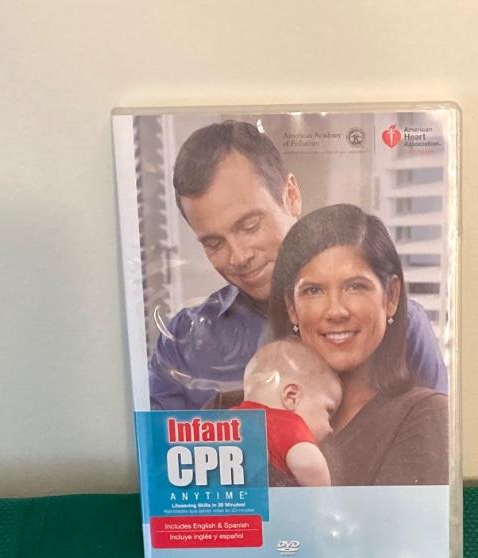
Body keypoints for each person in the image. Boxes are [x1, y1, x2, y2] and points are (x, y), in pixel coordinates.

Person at [148, 120, 447, 410]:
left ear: (291, 196)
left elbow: (438, 437)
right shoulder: (183, 345)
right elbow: (152, 444)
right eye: (214, 244)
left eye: (250, 226)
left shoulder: (399, 326)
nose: (238, 257)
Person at [269, 204, 449, 486]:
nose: (336, 311)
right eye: (313, 290)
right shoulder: (238, 411)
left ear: (391, 297)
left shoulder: (424, 416)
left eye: (355, 287)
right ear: (292, 308)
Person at [236, 339, 340, 486]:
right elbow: (308, 464)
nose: (330, 429)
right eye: (328, 412)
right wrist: (324, 495)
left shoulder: (226, 421)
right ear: (291, 397)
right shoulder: (289, 424)